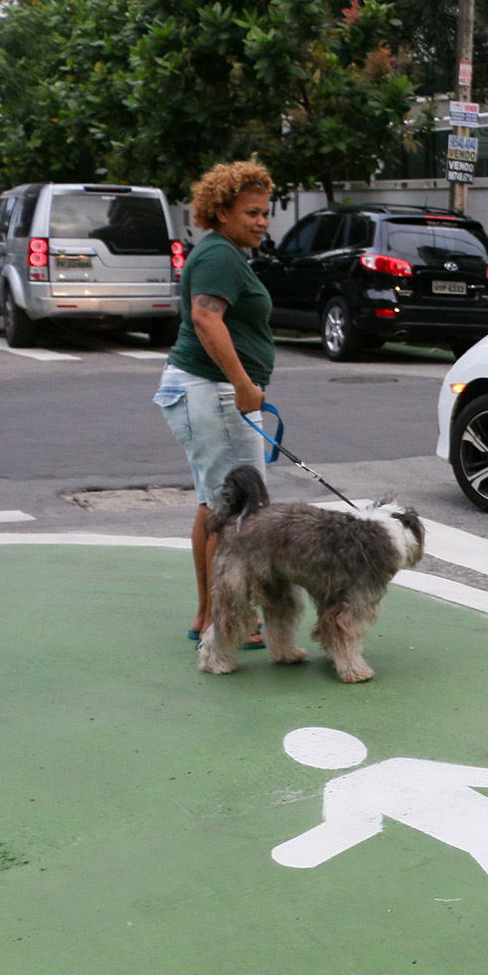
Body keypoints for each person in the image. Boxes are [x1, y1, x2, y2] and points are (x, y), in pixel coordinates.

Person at [153, 160, 277, 648]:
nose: (262, 221)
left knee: (215, 505)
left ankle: (209, 615)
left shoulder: (222, 252)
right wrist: (243, 384)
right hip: (213, 391)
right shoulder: (220, 255)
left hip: (204, 391)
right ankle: (226, 622)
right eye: (252, 212)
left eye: (265, 212)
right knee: (238, 508)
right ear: (221, 212)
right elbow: (207, 320)